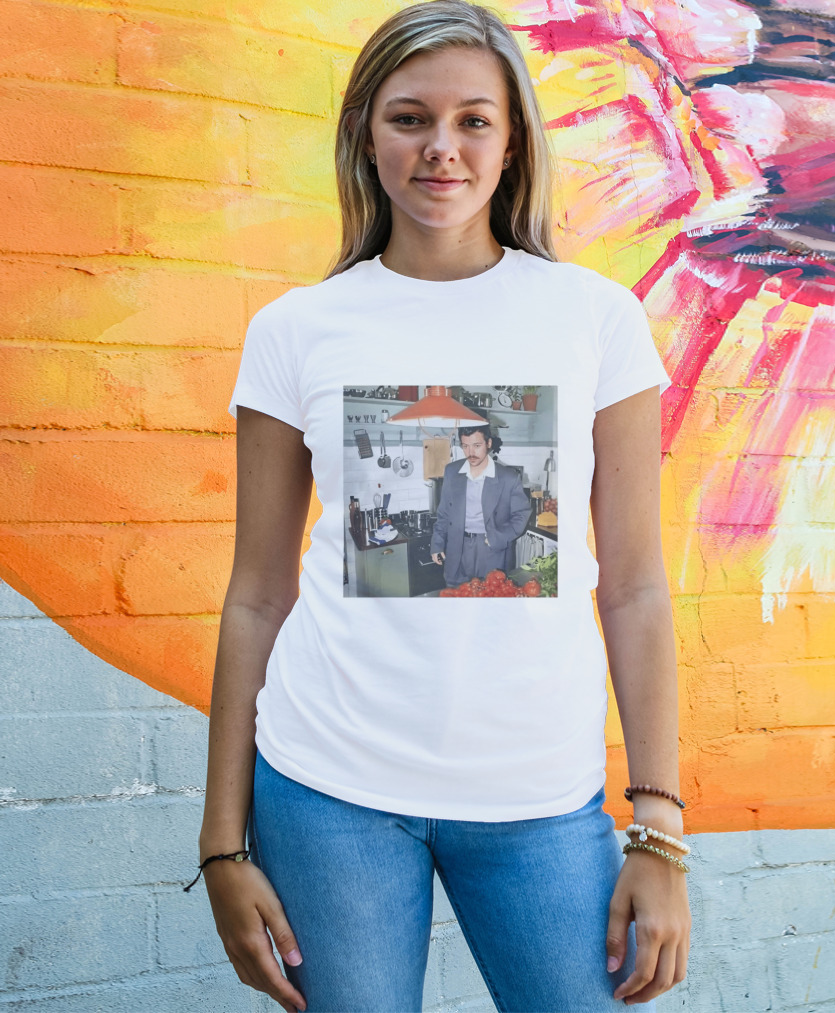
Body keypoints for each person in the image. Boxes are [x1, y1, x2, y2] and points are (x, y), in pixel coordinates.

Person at [197, 2, 691, 1011]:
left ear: (512, 145)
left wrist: (658, 824)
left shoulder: (594, 318)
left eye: (474, 120)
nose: (442, 149)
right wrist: (219, 845)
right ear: (366, 135)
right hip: (327, 787)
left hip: (542, 799)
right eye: (410, 118)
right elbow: (256, 594)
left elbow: (635, 585)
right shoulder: (297, 329)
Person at [430, 424, 531, 584]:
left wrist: (498, 537)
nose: (471, 453)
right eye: (465, 446)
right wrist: (437, 543)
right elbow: (444, 513)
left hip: (491, 549)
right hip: (458, 547)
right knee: (457, 597)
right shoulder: (452, 471)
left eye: (477, 446)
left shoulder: (508, 477)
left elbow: (522, 514)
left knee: (491, 599)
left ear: (488, 443)